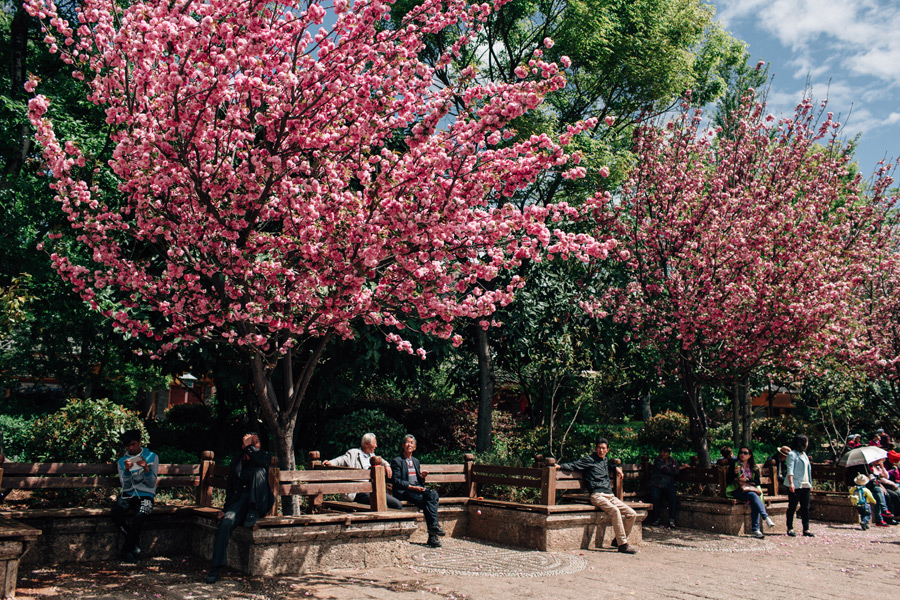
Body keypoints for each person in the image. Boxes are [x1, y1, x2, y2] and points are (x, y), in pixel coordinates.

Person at [206, 432, 275, 584]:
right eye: (250, 442)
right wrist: (225, 509)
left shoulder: (263, 456)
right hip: (239, 502)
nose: (254, 445)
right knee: (226, 522)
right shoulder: (237, 461)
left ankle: (253, 511)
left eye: (256, 442)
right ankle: (215, 567)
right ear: (242, 446)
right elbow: (230, 488)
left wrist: (250, 446)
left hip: (259, 503)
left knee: (259, 471)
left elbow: (262, 462)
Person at [557, 438, 638, 554]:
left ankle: (617, 540)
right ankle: (623, 544)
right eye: (599, 448)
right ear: (595, 449)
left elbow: (609, 464)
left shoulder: (605, 460)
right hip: (597, 495)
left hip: (610, 496)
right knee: (615, 511)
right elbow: (574, 465)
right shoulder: (589, 459)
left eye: (603, 448)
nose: (601, 450)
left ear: (607, 450)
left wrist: (616, 468)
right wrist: (560, 466)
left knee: (632, 513)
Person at [111, 429, 159, 562]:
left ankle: (125, 550)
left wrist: (146, 469)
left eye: (133, 444)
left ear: (139, 443)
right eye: (127, 446)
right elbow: (124, 485)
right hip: (129, 494)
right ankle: (133, 542)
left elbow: (151, 484)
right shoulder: (122, 461)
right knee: (116, 512)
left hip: (146, 495)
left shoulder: (152, 457)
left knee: (140, 515)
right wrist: (127, 471)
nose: (130, 448)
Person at [391, 435, 444, 548]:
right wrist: (412, 487)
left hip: (417, 490)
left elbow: (419, 482)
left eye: (411, 443)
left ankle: (433, 530)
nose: (409, 444)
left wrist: (422, 477)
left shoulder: (416, 461)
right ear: (403, 446)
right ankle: (433, 536)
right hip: (405, 492)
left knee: (433, 494)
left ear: (414, 447)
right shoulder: (397, 461)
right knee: (428, 502)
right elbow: (396, 481)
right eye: (407, 442)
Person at [324, 433, 401, 509]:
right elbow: (341, 460)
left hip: (374, 490)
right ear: (366, 444)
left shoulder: (372, 456)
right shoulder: (353, 453)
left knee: (397, 505)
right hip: (359, 491)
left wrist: (387, 465)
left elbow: (383, 461)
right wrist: (330, 462)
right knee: (382, 506)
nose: (376, 446)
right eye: (374, 443)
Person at [725, 446, 776, 539]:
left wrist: (747, 479)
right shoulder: (734, 464)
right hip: (736, 490)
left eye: (745, 453)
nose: (742, 455)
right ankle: (764, 519)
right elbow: (728, 480)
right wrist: (735, 474)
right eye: (741, 452)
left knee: (753, 499)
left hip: (749, 490)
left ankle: (756, 530)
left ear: (750, 455)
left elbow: (757, 482)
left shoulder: (753, 467)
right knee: (753, 496)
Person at [784, 434, 814, 537]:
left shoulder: (804, 454)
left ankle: (806, 529)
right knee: (792, 506)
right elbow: (790, 469)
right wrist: (791, 483)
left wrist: (810, 483)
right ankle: (790, 528)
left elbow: (808, 470)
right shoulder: (792, 454)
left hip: (805, 484)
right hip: (795, 484)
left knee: (805, 507)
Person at [646, 447, 682, 528]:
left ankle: (671, 520)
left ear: (668, 453)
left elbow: (676, 471)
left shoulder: (672, 460)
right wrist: (675, 469)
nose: (663, 454)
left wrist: (676, 469)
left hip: (667, 484)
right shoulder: (658, 460)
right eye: (662, 452)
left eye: (665, 452)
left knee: (673, 497)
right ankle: (656, 519)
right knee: (655, 497)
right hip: (656, 484)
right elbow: (665, 469)